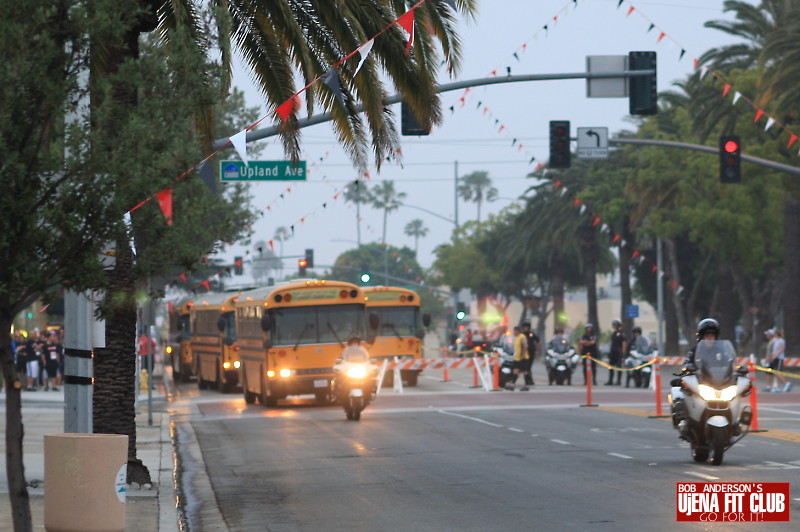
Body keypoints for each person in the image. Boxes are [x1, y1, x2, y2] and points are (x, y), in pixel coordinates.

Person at [765, 329, 790, 393]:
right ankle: (777, 387)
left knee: (778, 372)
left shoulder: (781, 340)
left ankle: (787, 383)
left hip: (779, 358)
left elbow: (781, 349)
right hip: (774, 358)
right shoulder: (776, 341)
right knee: (775, 372)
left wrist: (775, 356)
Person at [506, 326, 529, 391]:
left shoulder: (522, 337)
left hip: (522, 358)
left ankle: (526, 386)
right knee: (515, 371)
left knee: (524, 372)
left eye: (514, 331)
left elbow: (525, 346)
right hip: (517, 358)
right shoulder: (517, 338)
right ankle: (512, 385)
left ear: (517, 331)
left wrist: (522, 355)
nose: (514, 332)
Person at [606, 319, 626, 386]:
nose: (615, 326)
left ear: (619, 325)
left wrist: (623, 352)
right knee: (611, 367)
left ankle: (618, 381)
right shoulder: (614, 333)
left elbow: (624, 343)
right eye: (614, 324)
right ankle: (610, 380)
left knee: (618, 367)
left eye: (616, 324)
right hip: (613, 352)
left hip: (618, 352)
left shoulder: (621, 333)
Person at [521, 321, 539, 387]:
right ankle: (528, 380)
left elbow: (538, 341)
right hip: (523, 352)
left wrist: (537, 350)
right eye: (524, 327)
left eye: (527, 327)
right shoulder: (521, 334)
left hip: (531, 352)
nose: (526, 328)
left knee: (529, 366)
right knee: (525, 367)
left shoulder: (532, 334)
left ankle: (529, 380)